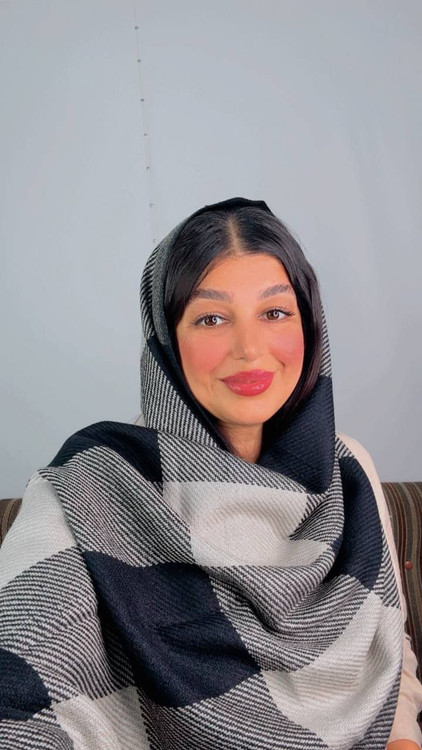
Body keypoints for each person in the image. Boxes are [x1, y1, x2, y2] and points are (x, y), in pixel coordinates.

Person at [0, 196, 421, 749]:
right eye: (211, 318)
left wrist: (402, 740)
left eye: (275, 313)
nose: (249, 349)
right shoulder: (89, 488)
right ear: (167, 339)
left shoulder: (348, 470)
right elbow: (18, 693)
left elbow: (387, 652)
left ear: (310, 324)